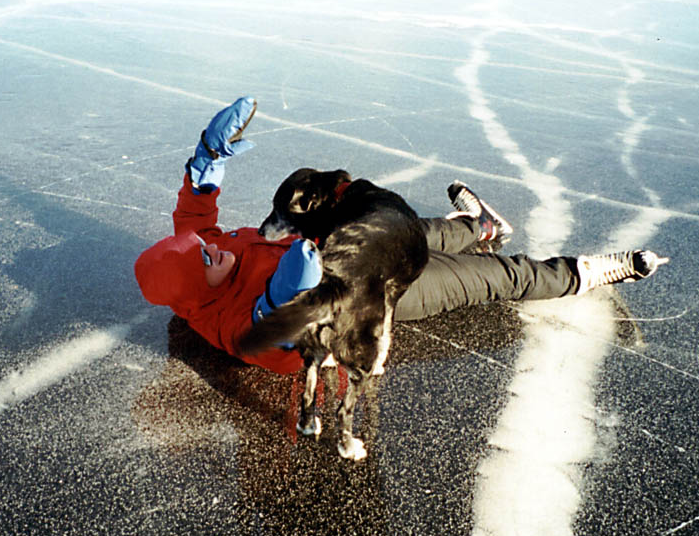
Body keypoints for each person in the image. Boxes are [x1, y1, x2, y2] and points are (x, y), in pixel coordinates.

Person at [135, 97, 668, 374]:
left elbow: (195, 212)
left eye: (206, 245)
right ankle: (594, 271)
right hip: (376, 295)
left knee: (416, 230)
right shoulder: (227, 321)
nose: (215, 247)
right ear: (200, 292)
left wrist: (207, 155)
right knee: (498, 277)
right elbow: (273, 350)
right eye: (207, 260)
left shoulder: (205, 248)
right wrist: (285, 301)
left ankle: (482, 226)